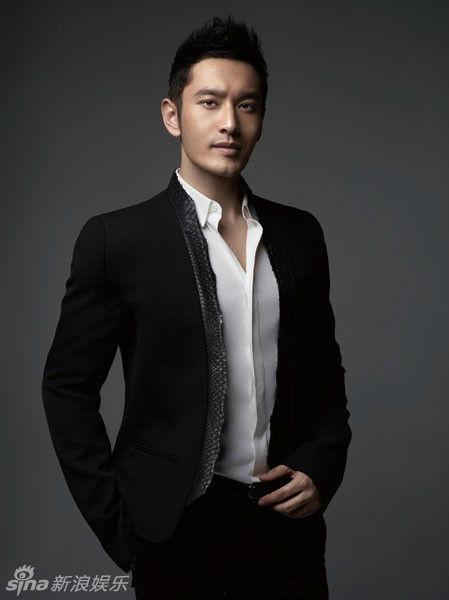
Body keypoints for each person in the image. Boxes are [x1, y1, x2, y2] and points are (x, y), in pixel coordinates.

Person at [42, 14, 352, 600]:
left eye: (247, 105)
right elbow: (66, 387)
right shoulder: (118, 239)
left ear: (261, 118)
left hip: (287, 531)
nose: (229, 123)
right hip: (174, 532)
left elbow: (324, 371)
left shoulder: (300, 235)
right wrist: (122, 526)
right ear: (172, 115)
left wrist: (323, 464)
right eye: (209, 102)